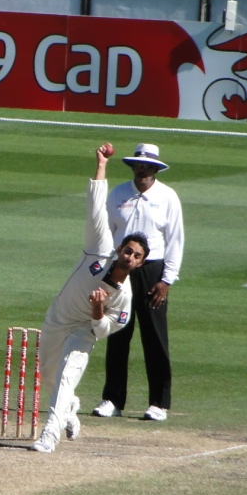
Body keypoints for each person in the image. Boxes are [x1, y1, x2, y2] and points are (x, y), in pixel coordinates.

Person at [31, 145, 150, 454]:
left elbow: (104, 330)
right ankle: (70, 410)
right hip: (58, 318)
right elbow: (95, 206)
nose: (129, 256)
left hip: (84, 330)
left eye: (137, 256)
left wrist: (98, 310)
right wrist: (101, 164)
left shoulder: (123, 298)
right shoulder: (99, 248)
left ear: (139, 263)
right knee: (47, 377)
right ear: (120, 248)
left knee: (67, 375)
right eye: (128, 250)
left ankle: (49, 435)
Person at [93, 143, 184, 423]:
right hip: (120, 268)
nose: (143, 170)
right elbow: (105, 231)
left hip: (152, 271)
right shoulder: (119, 193)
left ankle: (158, 402)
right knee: (117, 333)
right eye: (139, 165)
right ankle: (112, 399)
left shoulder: (167, 197)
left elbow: (176, 241)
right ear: (133, 167)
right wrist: (105, 269)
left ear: (156, 169)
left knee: (155, 338)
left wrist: (166, 280)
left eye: (148, 166)